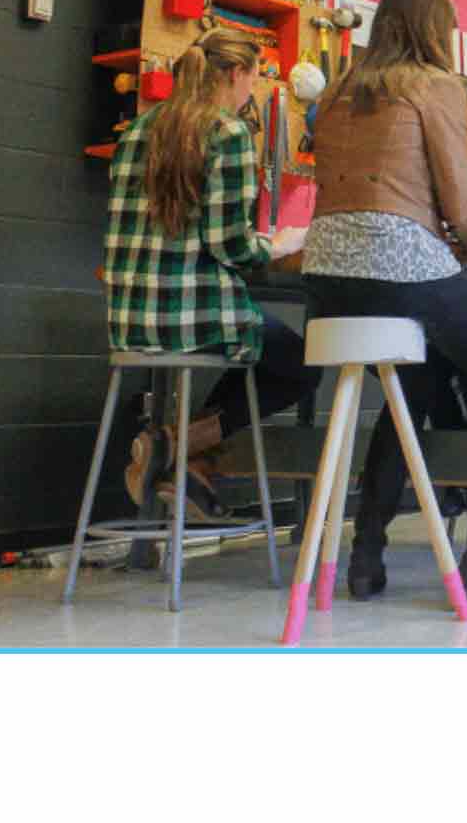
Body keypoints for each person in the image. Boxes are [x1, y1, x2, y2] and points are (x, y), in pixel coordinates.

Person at [304, 0, 467, 607]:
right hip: (399, 265)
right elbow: (462, 203)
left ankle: (365, 560)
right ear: (435, 30)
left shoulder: (338, 90)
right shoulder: (434, 84)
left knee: (409, 388)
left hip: (325, 274)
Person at [103, 30, 313, 518]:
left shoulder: (136, 131)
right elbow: (230, 245)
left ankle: (187, 464)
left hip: (129, 320)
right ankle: (175, 444)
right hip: (196, 317)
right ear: (236, 73)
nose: (251, 93)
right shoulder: (228, 133)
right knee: (302, 363)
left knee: (269, 346)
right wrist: (278, 244)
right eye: (253, 80)